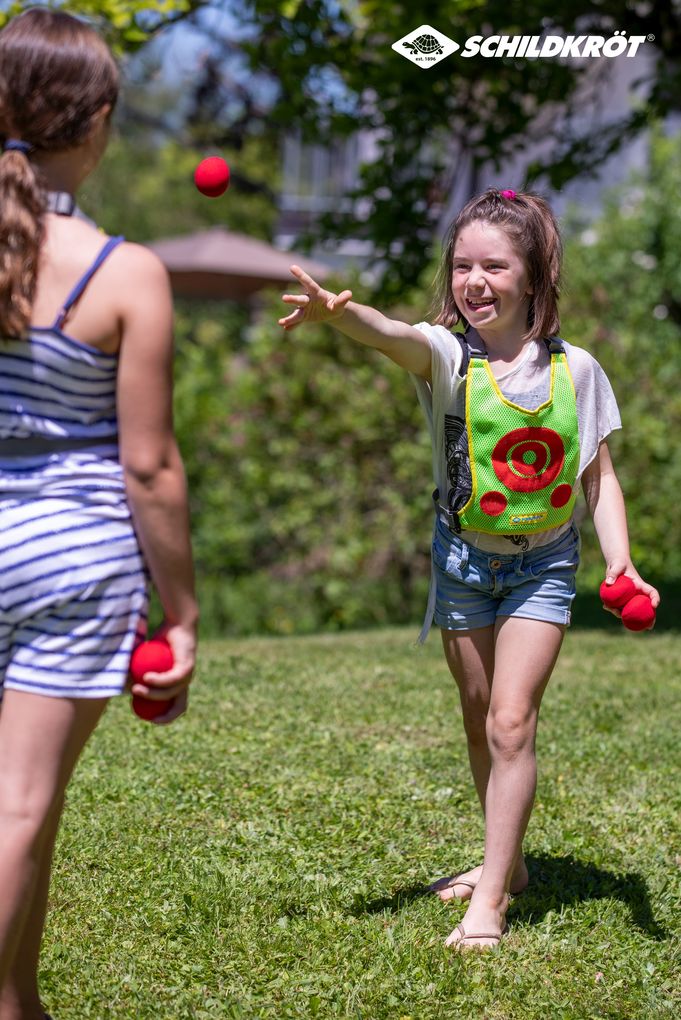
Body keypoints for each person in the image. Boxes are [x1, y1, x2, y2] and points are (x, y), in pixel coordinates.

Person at [279, 187, 659, 951]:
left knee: (511, 721)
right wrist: (338, 315)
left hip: (543, 564)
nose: (474, 281)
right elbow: (390, 333)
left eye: (493, 265)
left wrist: (620, 560)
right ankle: (508, 863)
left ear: (532, 277)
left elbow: (598, 478)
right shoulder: (449, 356)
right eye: (461, 266)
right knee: (479, 721)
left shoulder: (575, 370)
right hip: (461, 560)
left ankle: (488, 902)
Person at [0, 9, 197, 1017]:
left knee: (29, 810)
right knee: (22, 804)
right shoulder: (125, 273)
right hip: (70, 557)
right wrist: (185, 614)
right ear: (96, 121)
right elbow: (151, 467)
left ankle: (19, 1001)